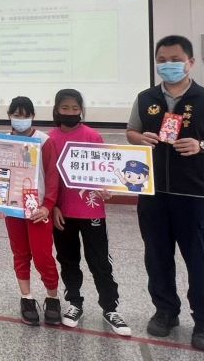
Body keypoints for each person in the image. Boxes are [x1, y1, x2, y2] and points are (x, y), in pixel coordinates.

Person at [126, 35, 204, 352]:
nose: (167, 64)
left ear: (190, 62)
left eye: (174, 59)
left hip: (196, 197)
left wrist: (202, 146)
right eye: (161, 59)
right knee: (157, 257)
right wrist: (140, 138)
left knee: (201, 262)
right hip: (153, 194)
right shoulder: (146, 98)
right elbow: (131, 130)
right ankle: (165, 311)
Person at [45, 89, 131, 336]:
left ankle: (110, 307)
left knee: (100, 262)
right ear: (56, 110)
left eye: (75, 108)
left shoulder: (92, 136)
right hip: (63, 213)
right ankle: (74, 302)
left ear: (81, 110)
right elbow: (50, 179)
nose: (70, 112)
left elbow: (104, 172)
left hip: (92, 210)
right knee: (68, 259)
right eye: (65, 108)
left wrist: (107, 189)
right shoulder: (49, 139)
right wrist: (54, 208)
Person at [1, 96, 61, 326]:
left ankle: (52, 297)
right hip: (13, 208)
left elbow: (53, 177)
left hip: (38, 209)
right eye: (16, 114)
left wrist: (48, 206)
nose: (21, 119)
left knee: (43, 255)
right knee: (20, 253)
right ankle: (26, 298)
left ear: (32, 117)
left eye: (25, 115)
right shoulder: (3, 141)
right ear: (9, 116)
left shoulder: (44, 141)